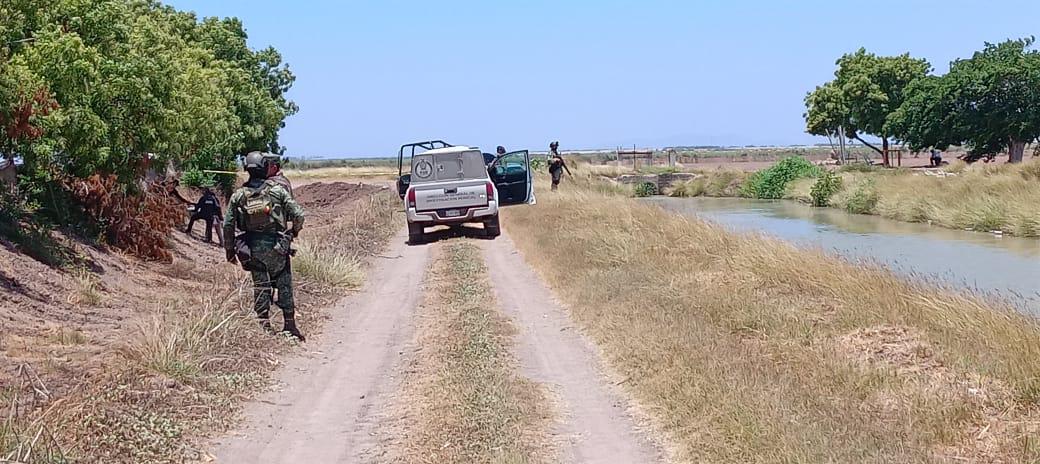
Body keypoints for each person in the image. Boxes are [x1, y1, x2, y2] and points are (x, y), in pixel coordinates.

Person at [224, 152, 306, 341]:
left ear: (247, 169)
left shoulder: (239, 195)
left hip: (253, 250)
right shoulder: (277, 191)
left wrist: (230, 251)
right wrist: (294, 232)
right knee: (284, 283)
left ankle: (263, 325)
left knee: (261, 286)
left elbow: (228, 225)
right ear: (264, 168)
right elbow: (299, 215)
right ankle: (289, 325)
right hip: (278, 247)